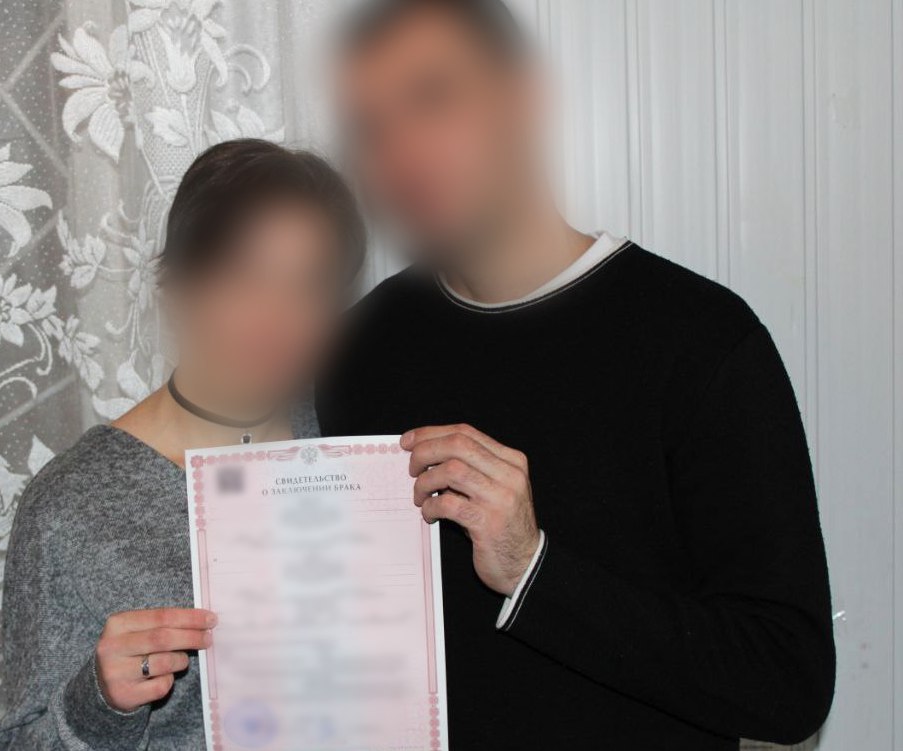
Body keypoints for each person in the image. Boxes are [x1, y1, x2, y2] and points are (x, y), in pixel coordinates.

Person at [316, 1, 836, 749]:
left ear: (522, 99)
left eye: (433, 97)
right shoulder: (359, 350)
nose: (402, 152)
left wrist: (535, 569)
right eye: (370, 127)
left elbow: (788, 683)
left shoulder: (701, 342)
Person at [0, 139, 365, 750]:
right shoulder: (72, 505)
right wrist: (99, 701)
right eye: (243, 278)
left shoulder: (359, 442)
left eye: (309, 287)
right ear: (177, 288)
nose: (275, 318)